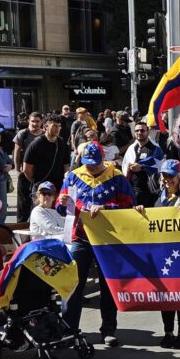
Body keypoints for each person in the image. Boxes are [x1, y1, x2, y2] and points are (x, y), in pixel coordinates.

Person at [58, 141, 136, 347]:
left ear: (103, 159)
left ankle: (108, 330)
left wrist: (106, 207)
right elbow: (60, 205)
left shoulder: (116, 176)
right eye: (87, 163)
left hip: (107, 240)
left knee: (107, 285)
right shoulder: (74, 176)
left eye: (95, 163)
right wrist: (61, 203)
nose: (91, 167)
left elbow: (129, 203)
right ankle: (69, 330)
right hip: (80, 238)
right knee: (73, 285)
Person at [134, 159, 180, 349]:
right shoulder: (158, 197)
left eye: (171, 176)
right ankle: (168, 332)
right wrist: (141, 211)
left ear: (179, 177)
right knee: (165, 294)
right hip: (163, 253)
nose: (167, 179)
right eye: (164, 175)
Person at [122, 121, 165, 208]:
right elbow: (125, 164)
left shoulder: (155, 148)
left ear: (147, 132)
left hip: (149, 191)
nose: (139, 133)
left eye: (142, 130)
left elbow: (160, 167)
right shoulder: (131, 148)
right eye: (137, 131)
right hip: (133, 190)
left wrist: (142, 167)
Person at [22, 115, 71, 192]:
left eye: (59, 126)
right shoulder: (36, 144)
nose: (57, 129)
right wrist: (36, 182)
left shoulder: (62, 143)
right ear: (46, 126)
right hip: (41, 187)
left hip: (58, 186)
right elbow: (26, 169)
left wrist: (66, 176)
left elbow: (66, 165)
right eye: (54, 126)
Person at [13, 111, 44, 222]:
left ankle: (36, 223)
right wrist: (17, 169)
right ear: (28, 121)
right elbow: (16, 152)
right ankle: (21, 223)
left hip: (40, 173)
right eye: (32, 121)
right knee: (23, 201)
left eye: (37, 121)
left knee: (38, 199)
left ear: (42, 122)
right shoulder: (23, 133)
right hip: (24, 172)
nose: (35, 124)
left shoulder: (45, 134)